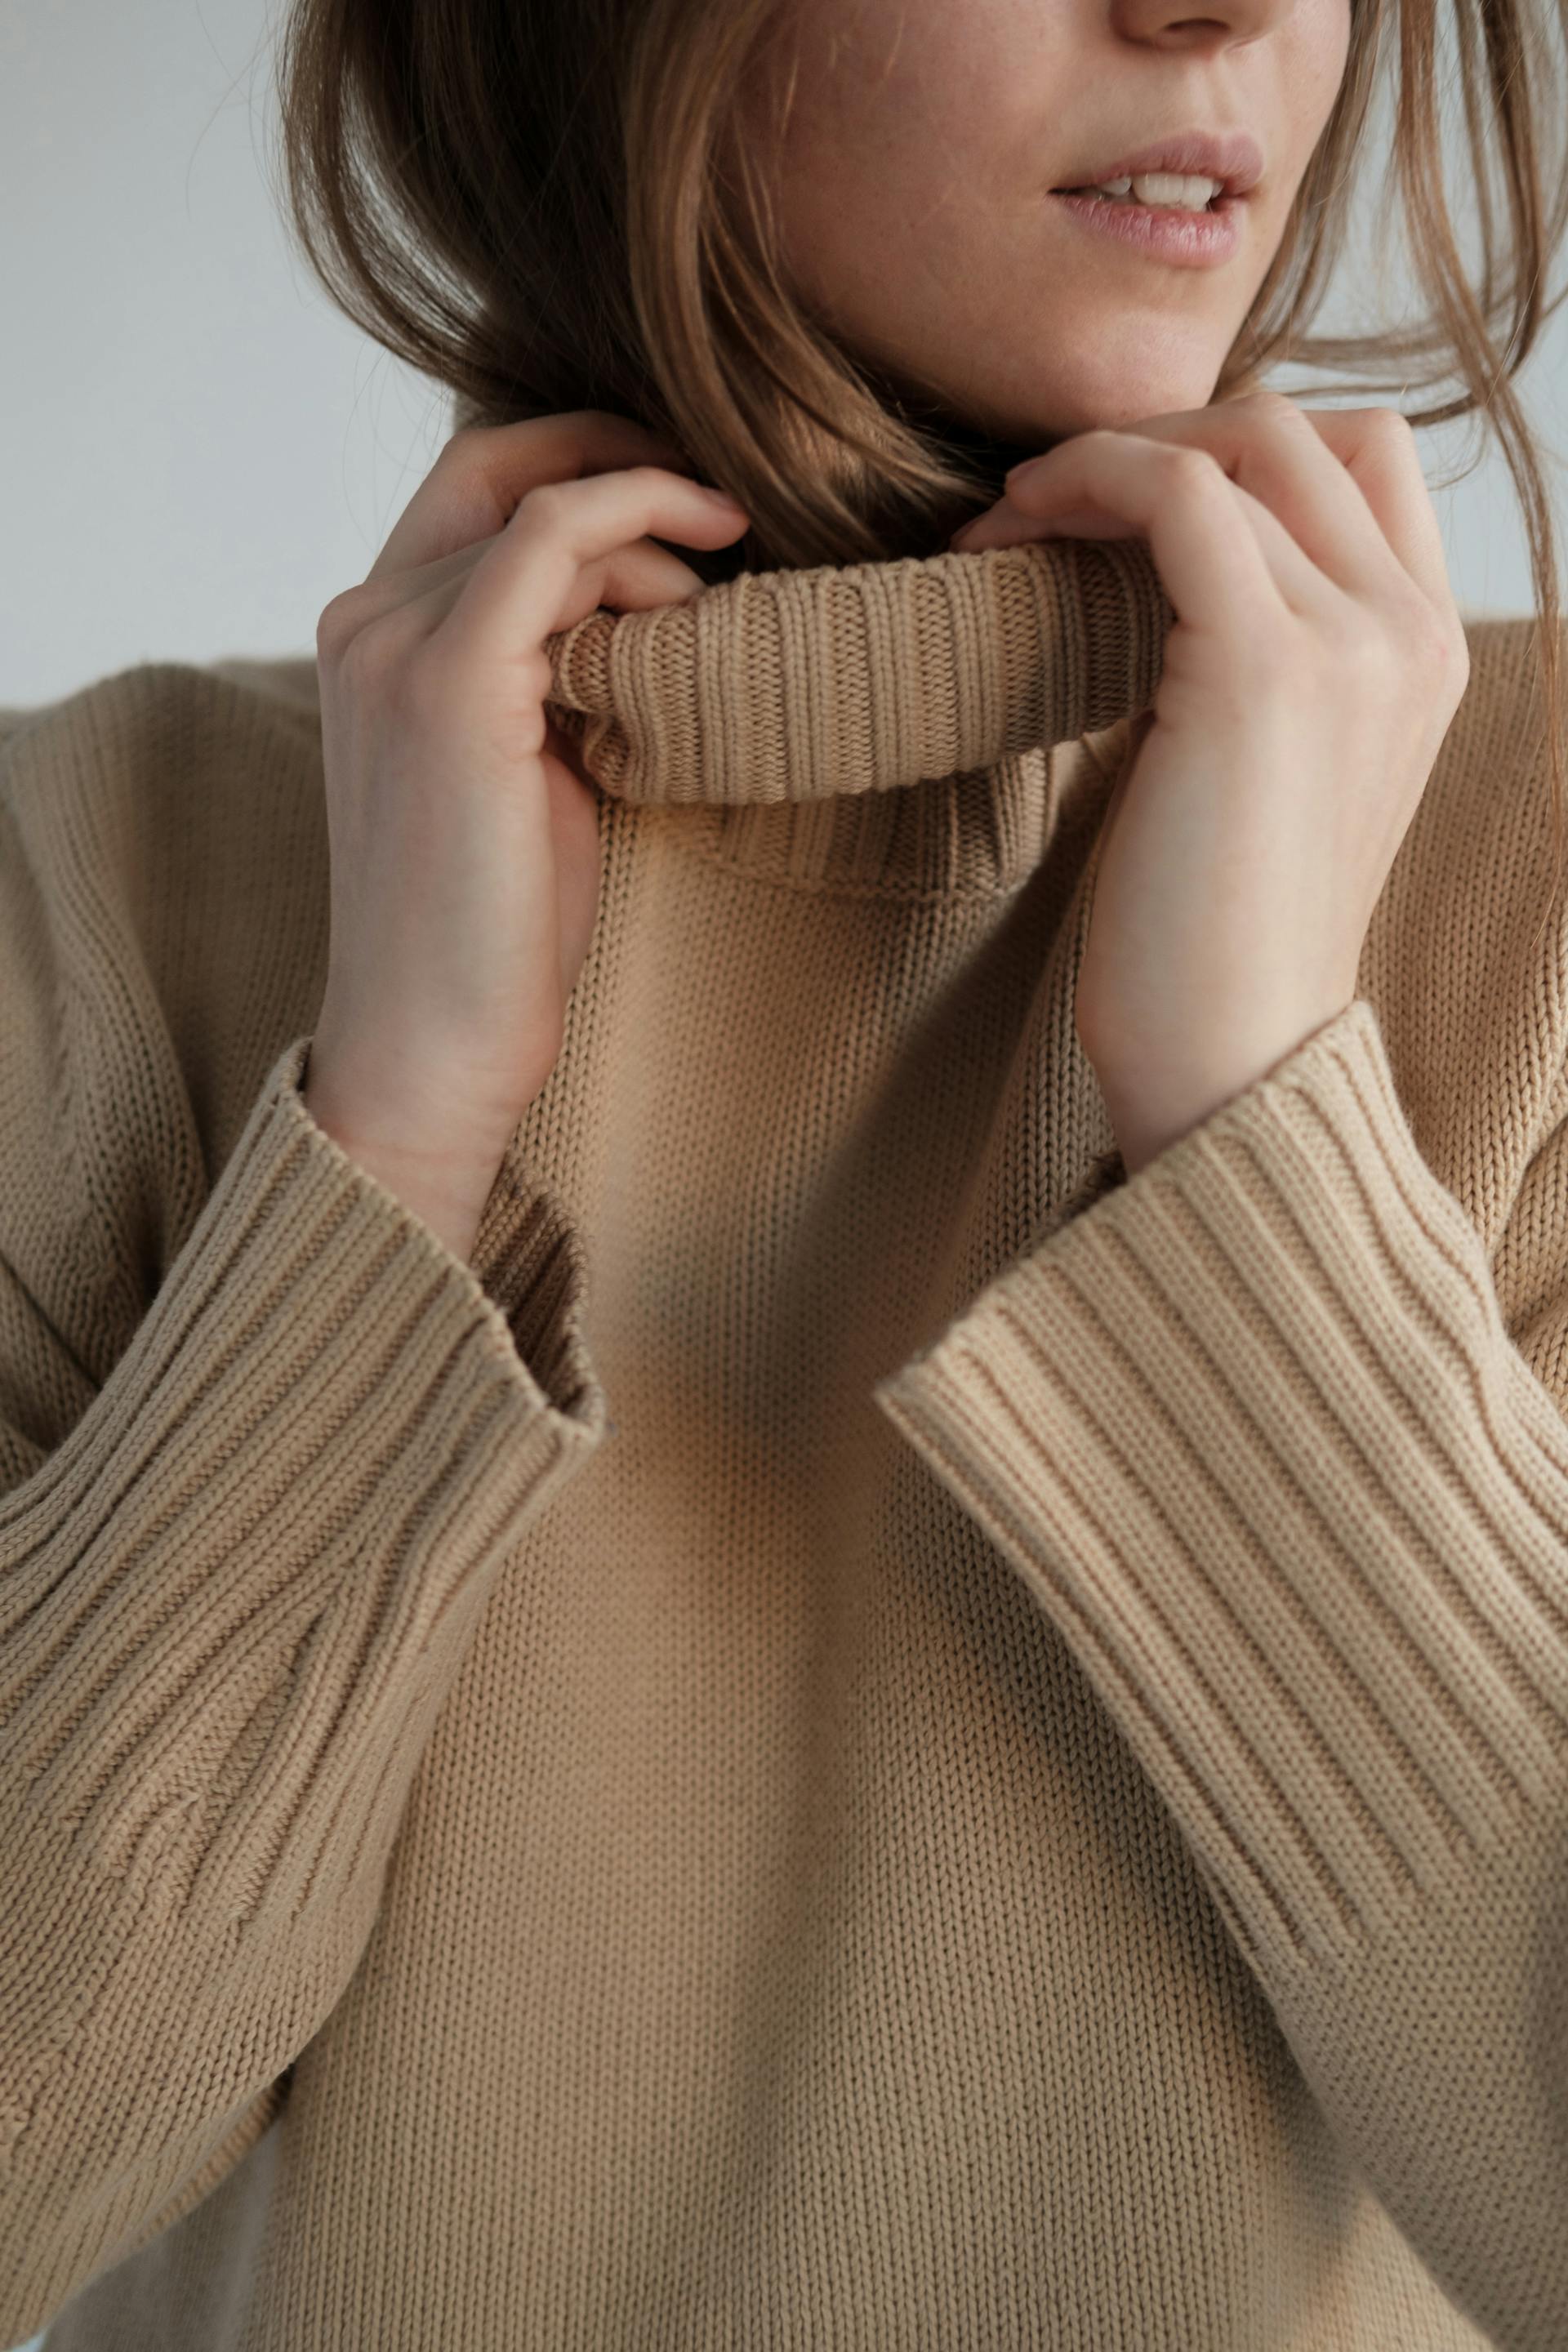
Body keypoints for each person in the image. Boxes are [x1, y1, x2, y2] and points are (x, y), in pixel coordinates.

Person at [4, 0, 1568, 2345]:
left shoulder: (1532, 882)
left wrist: (1260, 1122)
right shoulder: (97, 884)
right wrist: (391, 1143)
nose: (1225, 10)